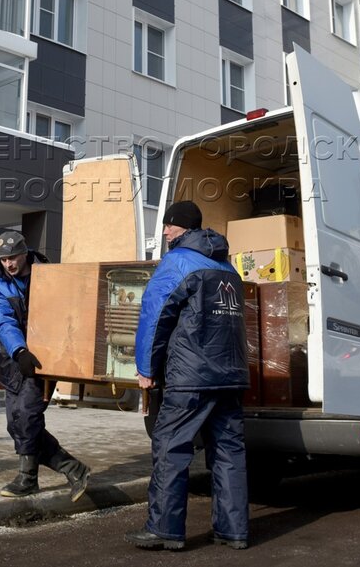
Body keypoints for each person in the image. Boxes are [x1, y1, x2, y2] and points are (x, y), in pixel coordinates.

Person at [125, 201, 250, 551]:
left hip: (191, 377)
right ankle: (234, 530)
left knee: (170, 447)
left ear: (183, 228)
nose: (164, 231)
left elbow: (154, 316)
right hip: (231, 375)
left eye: (169, 225)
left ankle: (164, 529)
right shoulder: (228, 268)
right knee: (229, 452)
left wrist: (146, 369)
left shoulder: (177, 263)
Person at [0, 231, 90, 501]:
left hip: (45, 358)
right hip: (13, 358)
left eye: (13, 257)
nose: (9, 264)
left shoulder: (49, 275)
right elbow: (4, 322)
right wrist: (19, 350)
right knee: (14, 423)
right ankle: (74, 468)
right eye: (4, 259)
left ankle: (27, 478)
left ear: (25, 252)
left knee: (27, 415)